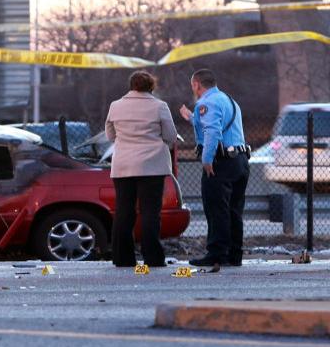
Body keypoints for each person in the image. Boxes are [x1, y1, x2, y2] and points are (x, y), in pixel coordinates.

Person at [105, 71, 177, 267]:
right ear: (151, 86)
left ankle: (122, 257)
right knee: (150, 213)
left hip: (123, 165)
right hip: (152, 166)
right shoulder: (160, 106)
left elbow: (110, 135)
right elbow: (171, 135)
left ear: (131, 85)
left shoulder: (115, 106)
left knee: (123, 211)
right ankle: (152, 257)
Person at [178, 68, 249, 267]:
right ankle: (234, 255)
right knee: (234, 210)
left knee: (217, 209)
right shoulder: (227, 100)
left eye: (192, 85)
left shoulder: (206, 103)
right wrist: (192, 118)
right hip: (240, 160)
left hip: (221, 162)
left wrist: (207, 160)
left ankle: (217, 254)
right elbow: (216, 123)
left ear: (196, 84)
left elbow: (212, 132)